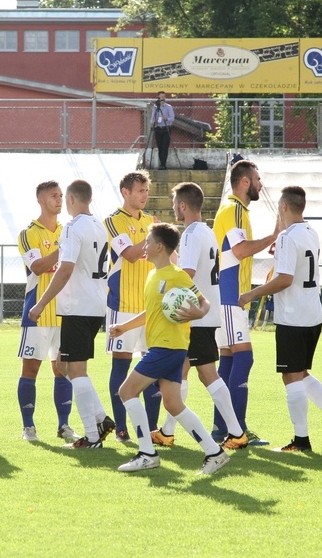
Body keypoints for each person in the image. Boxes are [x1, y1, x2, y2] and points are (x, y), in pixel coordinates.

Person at [111, 222, 230, 474]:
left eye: (147, 241)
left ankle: (146, 453)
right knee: (174, 404)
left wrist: (198, 312)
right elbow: (151, 312)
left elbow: (203, 302)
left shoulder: (177, 275)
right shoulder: (153, 275)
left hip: (168, 347)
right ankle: (214, 452)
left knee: (126, 391)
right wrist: (124, 327)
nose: (143, 245)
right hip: (168, 348)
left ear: (159, 246)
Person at [238, 187, 322, 451]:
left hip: (293, 315)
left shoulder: (289, 237)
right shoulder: (310, 232)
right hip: (311, 312)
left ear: (284, 207)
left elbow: (285, 279)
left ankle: (301, 440)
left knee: (291, 376)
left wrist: (251, 294)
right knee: (301, 373)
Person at [152, 182, 248, 450]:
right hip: (204, 313)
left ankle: (237, 432)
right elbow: (189, 265)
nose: (174, 208)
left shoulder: (193, 233)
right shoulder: (204, 231)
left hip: (197, 316)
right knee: (179, 371)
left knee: (207, 374)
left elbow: (187, 274)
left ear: (182, 205)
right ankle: (167, 431)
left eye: (175, 204)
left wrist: (166, 296)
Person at [29, 179, 114, 448]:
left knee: (76, 370)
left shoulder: (73, 228)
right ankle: (101, 418)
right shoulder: (99, 227)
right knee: (64, 366)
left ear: (71, 199)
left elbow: (65, 269)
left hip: (78, 306)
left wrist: (41, 303)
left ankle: (91, 436)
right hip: (94, 304)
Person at [212, 159, 280, 445]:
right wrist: (275, 235)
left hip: (227, 298)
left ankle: (221, 428)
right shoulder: (234, 210)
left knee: (228, 361)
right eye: (257, 179)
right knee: (244, 357)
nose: (260, 184)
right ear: (244, 182)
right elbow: (240, 251)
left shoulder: (236, 211)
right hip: (228, 298)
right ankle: (236, 430)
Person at [16, 180, 78, 442]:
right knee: (30, 370)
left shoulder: (69, 230)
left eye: (61, 196)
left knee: (62, 370)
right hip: (37, 313)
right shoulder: (29, 233)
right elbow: (38, 267)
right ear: (41, 200)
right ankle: (28, 427)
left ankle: (64, 426)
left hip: (65, 313)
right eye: (54, 196)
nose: (59, 200)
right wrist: (62, 250)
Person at [104, 171, 158, 442]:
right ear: (125, 192)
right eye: (139, 191)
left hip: (150, 307)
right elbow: (131, 255)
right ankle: (122, 428)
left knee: (152, 367)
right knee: (121, 366)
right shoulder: (113, 221)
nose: (144, 195)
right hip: (123, 304)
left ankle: (152, 430)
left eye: (146, 191)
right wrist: (155, 238)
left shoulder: (151, 222)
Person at [149, 91, 175, 169]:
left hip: (166, 129)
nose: (163, 98)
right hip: (158, 129)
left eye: (164, 97)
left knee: (165, 147)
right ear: (158, 98)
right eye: (161, 97)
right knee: (160, 147)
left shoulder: (169, 107)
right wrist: (155, 120)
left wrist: (166, 119)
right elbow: (151, 120)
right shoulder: (155, 107)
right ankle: (161, 163)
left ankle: (163, 164)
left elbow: (172, 118)